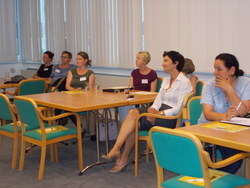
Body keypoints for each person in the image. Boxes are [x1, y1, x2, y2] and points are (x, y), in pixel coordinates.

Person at [102, 51, 192, 173]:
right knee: (133, 114)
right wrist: (152, 108)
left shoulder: (184, 82)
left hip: (169, 118)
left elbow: (180, 107)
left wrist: (159, 114)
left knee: (133, 123)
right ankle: (117, 150)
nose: (162, 64)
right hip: (157, 112)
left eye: (166, 61)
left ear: (176, 63)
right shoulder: (166, 80)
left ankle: (120, 156)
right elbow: (159, 98)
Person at [198, 53, 250, 174]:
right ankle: (213, 178)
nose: (215, 72)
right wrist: (225, 117)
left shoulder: (246, 83)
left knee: (234, 161)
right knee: (203, 163)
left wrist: (230, 89)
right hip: (208, 130)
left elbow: (243, 112)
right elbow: (208, 114)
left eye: (219, 69)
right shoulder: (209, 86)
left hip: (232, 132)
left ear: (232, 70)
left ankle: (216, 179)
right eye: (214, 68)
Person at [118, 51, 158, 124]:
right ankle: (124, 125)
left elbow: (153, 92)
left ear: (144, 61)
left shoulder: (152, 74)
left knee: (129, 107)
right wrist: (126, 91)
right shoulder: (134, 73)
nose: (136, 60)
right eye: (136, 58)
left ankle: (131, 125)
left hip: (144, 100)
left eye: (138, 58)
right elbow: (130, 88)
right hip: (134, 98)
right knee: (122, 104)